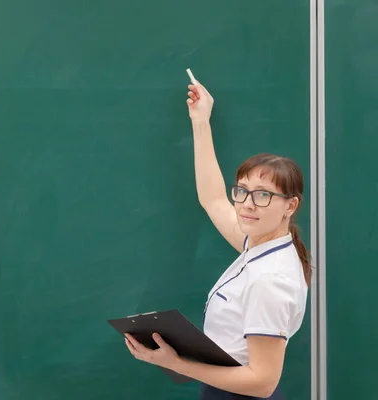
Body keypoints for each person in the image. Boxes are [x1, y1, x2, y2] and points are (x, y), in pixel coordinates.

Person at [124, 79, 311, 399]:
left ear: (289, 205)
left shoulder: (271, 279)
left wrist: (177, 363)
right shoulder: (260, 244)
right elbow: (212, 198)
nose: (248, 204)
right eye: (242, 192)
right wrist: (201, 119)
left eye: (263, 195)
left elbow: (263, 383)